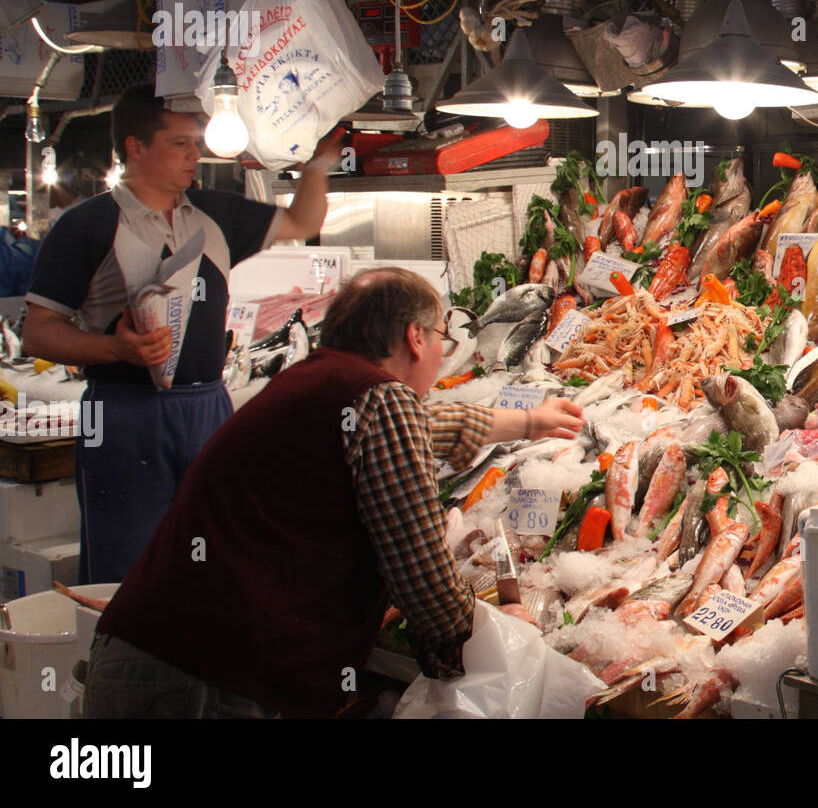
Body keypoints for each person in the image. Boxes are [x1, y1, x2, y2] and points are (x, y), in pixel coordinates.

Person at [83, 268, 584, 719]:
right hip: (203, 685)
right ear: (414, 337)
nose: (442, 353)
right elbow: (423, 577)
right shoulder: (380, 399)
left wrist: (529, 420)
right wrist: (491, 642)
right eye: (440, 338)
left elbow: (424, 426)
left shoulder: (322, 384)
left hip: (151, 656)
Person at [22, 83, 341, 582]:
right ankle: (114, 658)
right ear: (135, 147)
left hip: (208, 406)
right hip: (119, 413)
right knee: (123, 569)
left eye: (196, 143)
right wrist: (114, 348)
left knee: (214, 557)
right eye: (180, 144)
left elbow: (303, 218)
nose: (196, 155)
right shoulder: (87, 225)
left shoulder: (217, 211)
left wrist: (318, 163)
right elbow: (37, 335)